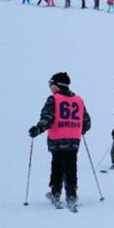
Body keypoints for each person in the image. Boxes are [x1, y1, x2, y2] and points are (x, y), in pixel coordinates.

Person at [29, 72, 92, 211]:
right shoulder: (78, 100)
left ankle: (55, 192)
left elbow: (47, 118)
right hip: (74, 140)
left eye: (51, 84)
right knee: (71, 166)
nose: (50, 87)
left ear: (56, 86)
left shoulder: (54, 99)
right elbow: (86, 121)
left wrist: (38, 129)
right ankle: (71, 194)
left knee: (57, 165)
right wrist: (81, 129)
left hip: (57, 140)